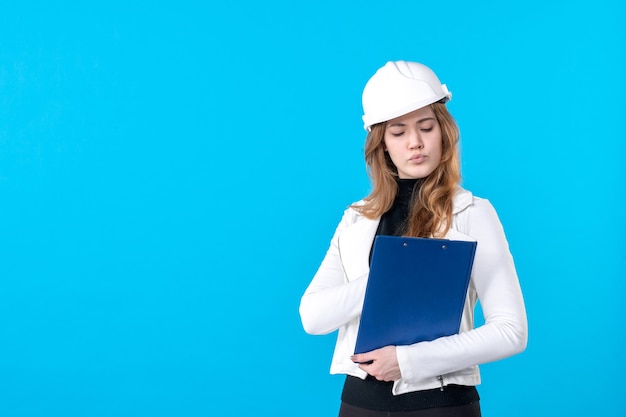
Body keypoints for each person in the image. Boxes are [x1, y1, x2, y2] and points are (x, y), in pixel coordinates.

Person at [299, 61, 528, 417]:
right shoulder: (357, 218)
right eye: (398, 132)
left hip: (440, 405)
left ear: (444, 132)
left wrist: (407, 361)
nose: (416, 143)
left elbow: (511, 330)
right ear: (382, 143)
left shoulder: (472, 213)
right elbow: (313, 317)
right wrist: (391, 278)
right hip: (359, 405)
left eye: (426, 127)